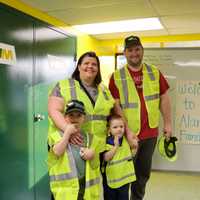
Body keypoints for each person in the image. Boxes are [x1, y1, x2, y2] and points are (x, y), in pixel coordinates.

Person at [109, 35, 172, 200]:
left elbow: (164, 97)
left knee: (142, 175)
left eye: (137, 49)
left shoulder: (154, 72)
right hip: (127, 135)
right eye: (130, 50)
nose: (134, 53)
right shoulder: (116, 76)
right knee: (124, 173)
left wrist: (168, 124)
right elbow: (116, 106)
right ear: (125, 53)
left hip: (150, 134)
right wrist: (128, 132)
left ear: (142, 50)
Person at [48, 51, 115, 199]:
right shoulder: (64, 85)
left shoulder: (104, 90)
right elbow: (53, 110)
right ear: (78, 66)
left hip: (95, 147)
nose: (90, 66)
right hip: (68, 145)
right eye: (86, 63)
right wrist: (68, 131)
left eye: (94, 64)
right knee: (70, 186)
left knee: (90, 186)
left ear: (98, 68)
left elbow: (114, 111)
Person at [48, 100, 100, 200]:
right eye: (71, 115)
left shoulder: (90, 138)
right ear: (64, 118)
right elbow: (57, 152)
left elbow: (96, 165)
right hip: (66, 191)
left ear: (84, 118)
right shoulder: (57, 135)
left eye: (79, 115)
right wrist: (67, 133)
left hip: (85, 189)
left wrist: (92, 154)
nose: (75, 118)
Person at [101, 114, 136, 200]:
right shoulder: (106, 142)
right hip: (111, 181)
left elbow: (131, 155)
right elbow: (106, 158)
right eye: (115, 127)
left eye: (121, 126)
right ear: (109, 129)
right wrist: (115, 147)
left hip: (124, 181)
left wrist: (135, 147)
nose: (119, 129)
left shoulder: (126, 140)